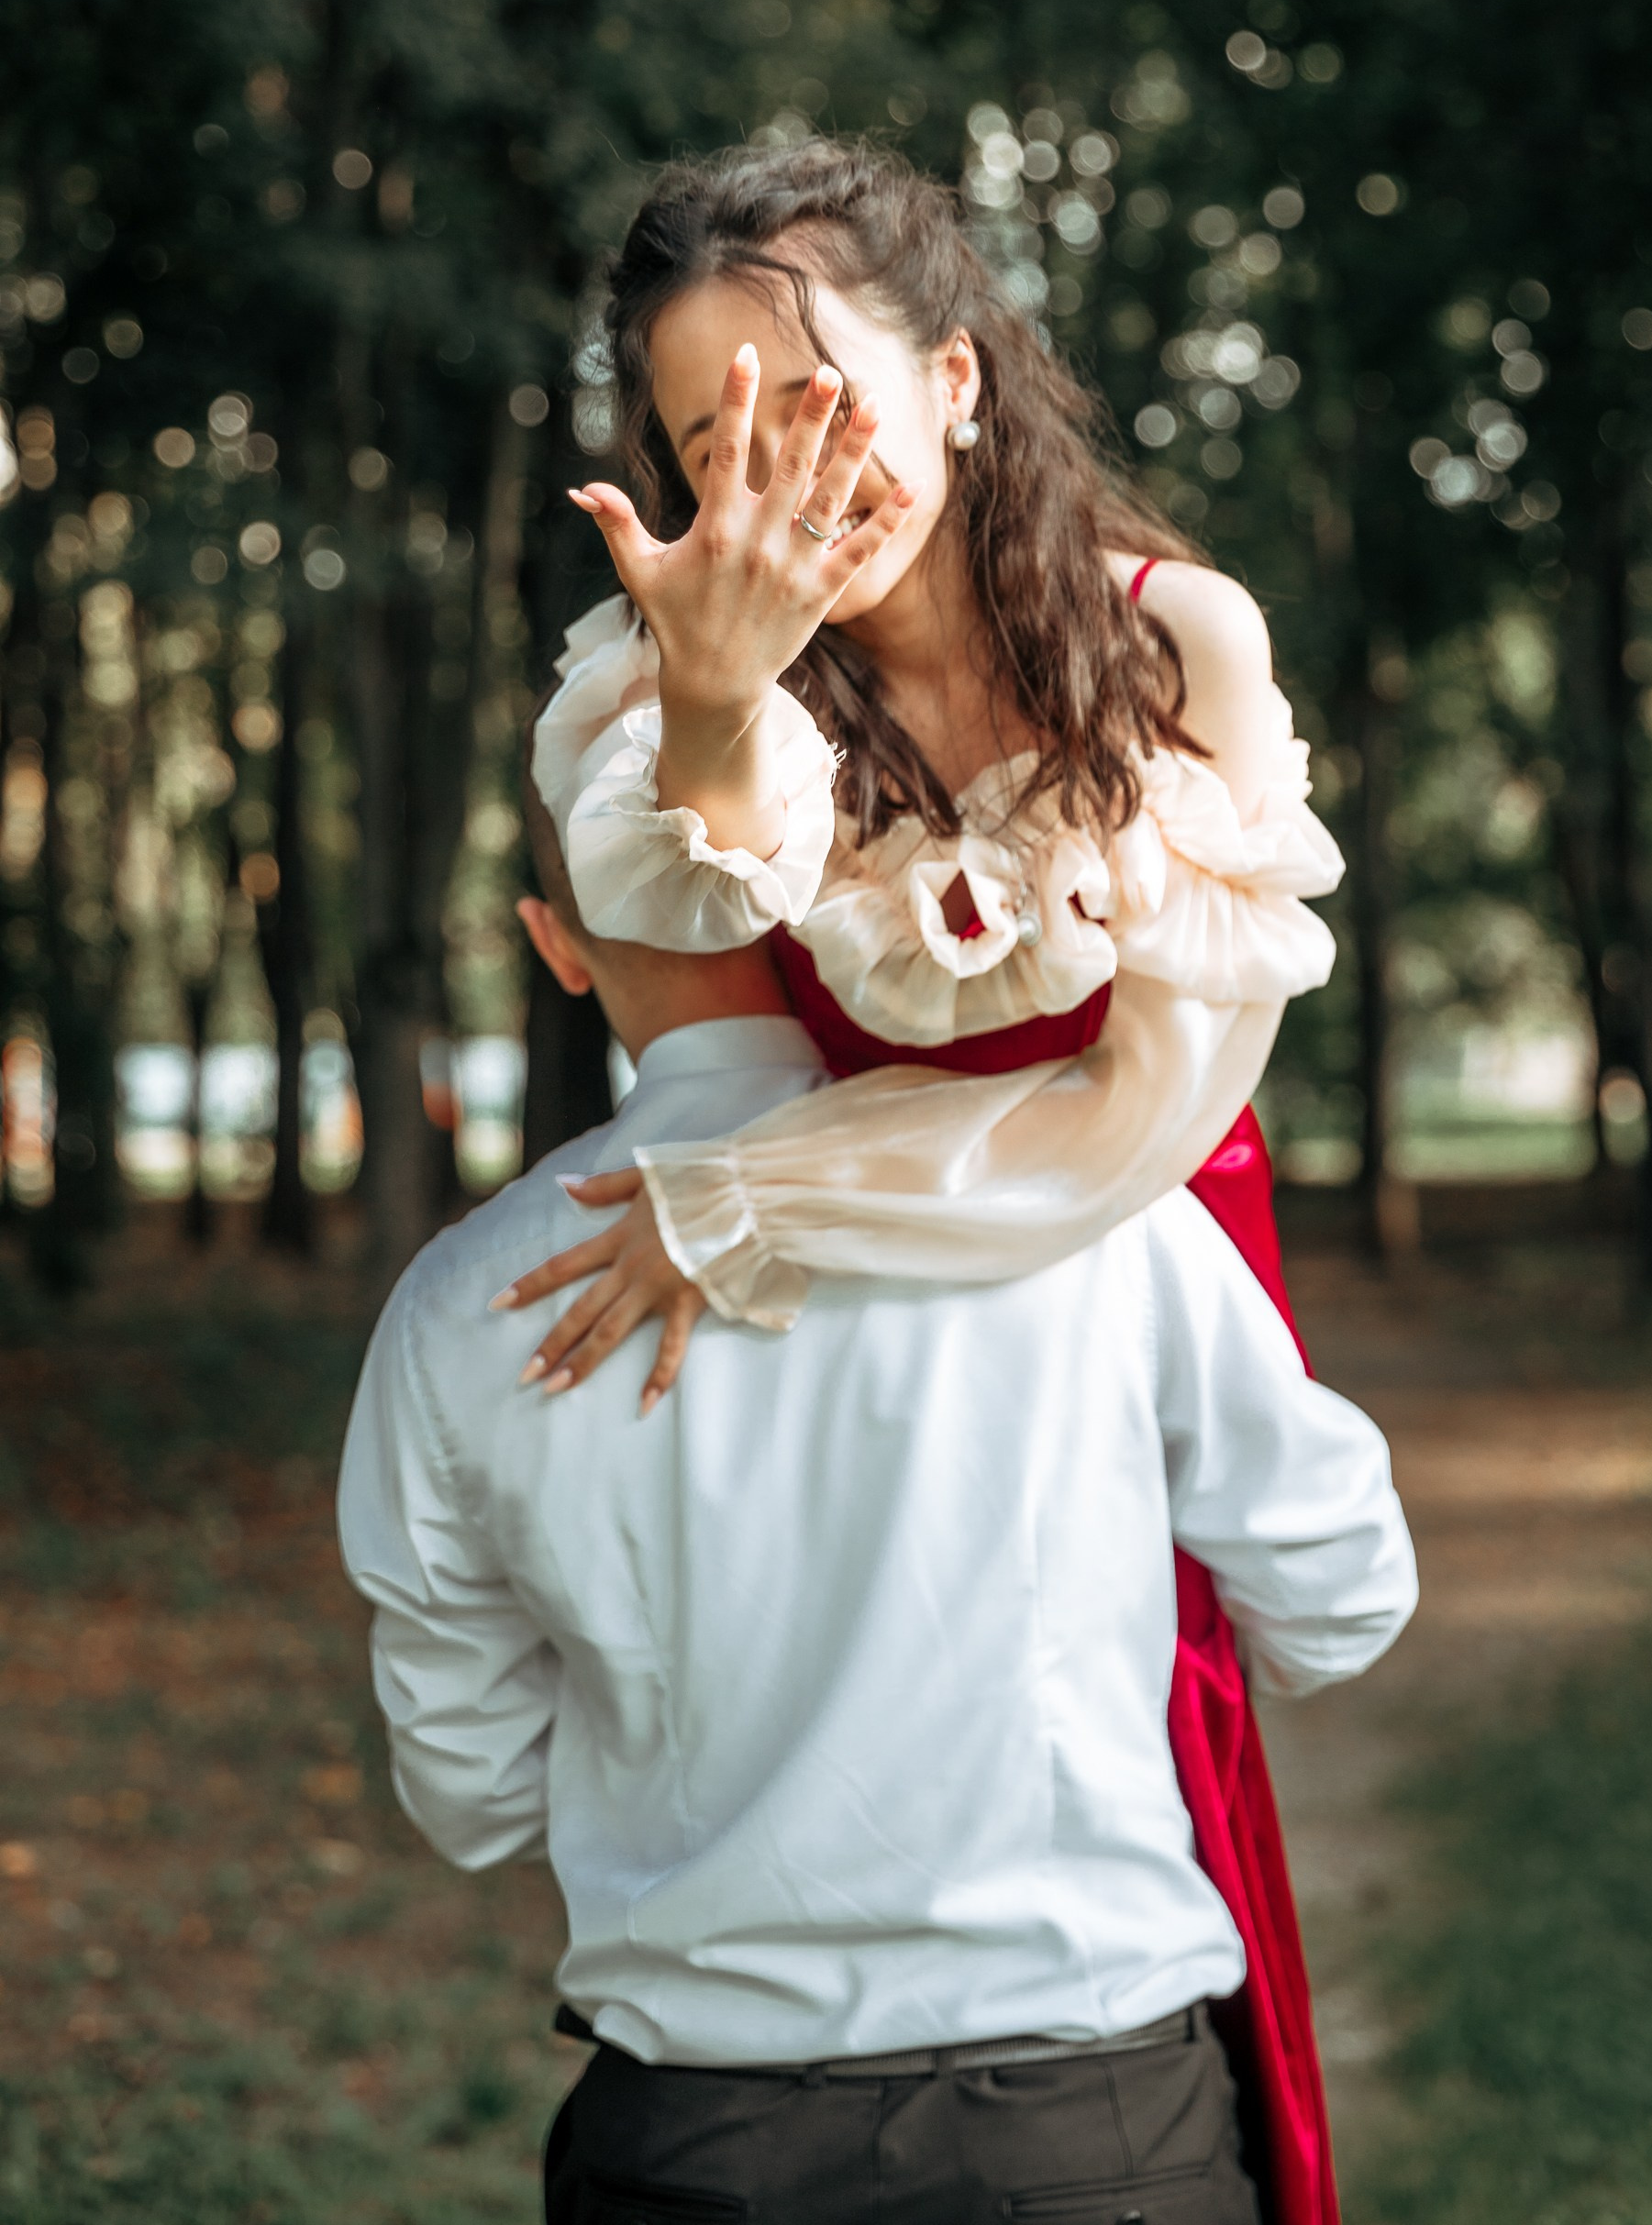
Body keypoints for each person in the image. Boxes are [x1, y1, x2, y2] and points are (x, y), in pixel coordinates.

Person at [499, 137, 1354, 2219]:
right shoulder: (663, 683)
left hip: (1138, 1260)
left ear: (955, 382)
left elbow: (1143, 1111)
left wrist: (768, 1200)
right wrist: (713, 693)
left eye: (817, 410)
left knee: (1153, 1801)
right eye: (713, 444)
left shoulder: (1178, 649)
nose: (781, 486)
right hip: (861, 1346)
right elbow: (693, 957)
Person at [338, 765, 1418, 2223]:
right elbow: (1341, 1595)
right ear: (822, 876)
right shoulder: (1076, 1199)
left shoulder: (460, 1305)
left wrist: (699, 1788)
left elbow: (467, 1792)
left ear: (558, 938)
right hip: (1086, 2132)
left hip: (696, 2145)